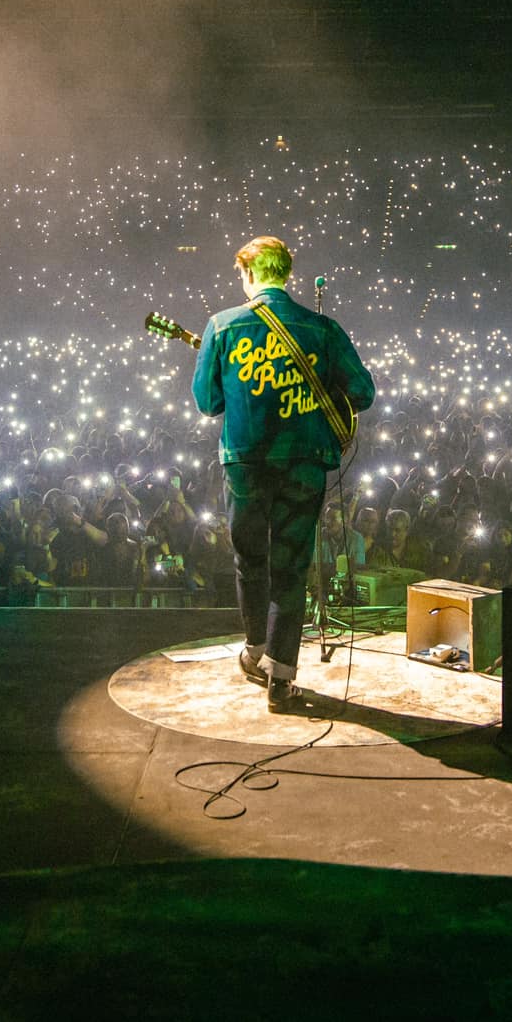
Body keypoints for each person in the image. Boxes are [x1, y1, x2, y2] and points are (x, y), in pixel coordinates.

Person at [192, 236, 375, 713]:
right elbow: (363, 391)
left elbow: (208, 402)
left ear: (250, 273)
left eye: (241, 274)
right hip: (304, 461)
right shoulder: (322, 328)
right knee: (291, 567)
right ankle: (281, 678)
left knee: (249, 559)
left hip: (246, 464)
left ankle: (254, 649)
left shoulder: (222, 325)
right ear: (286, 274)